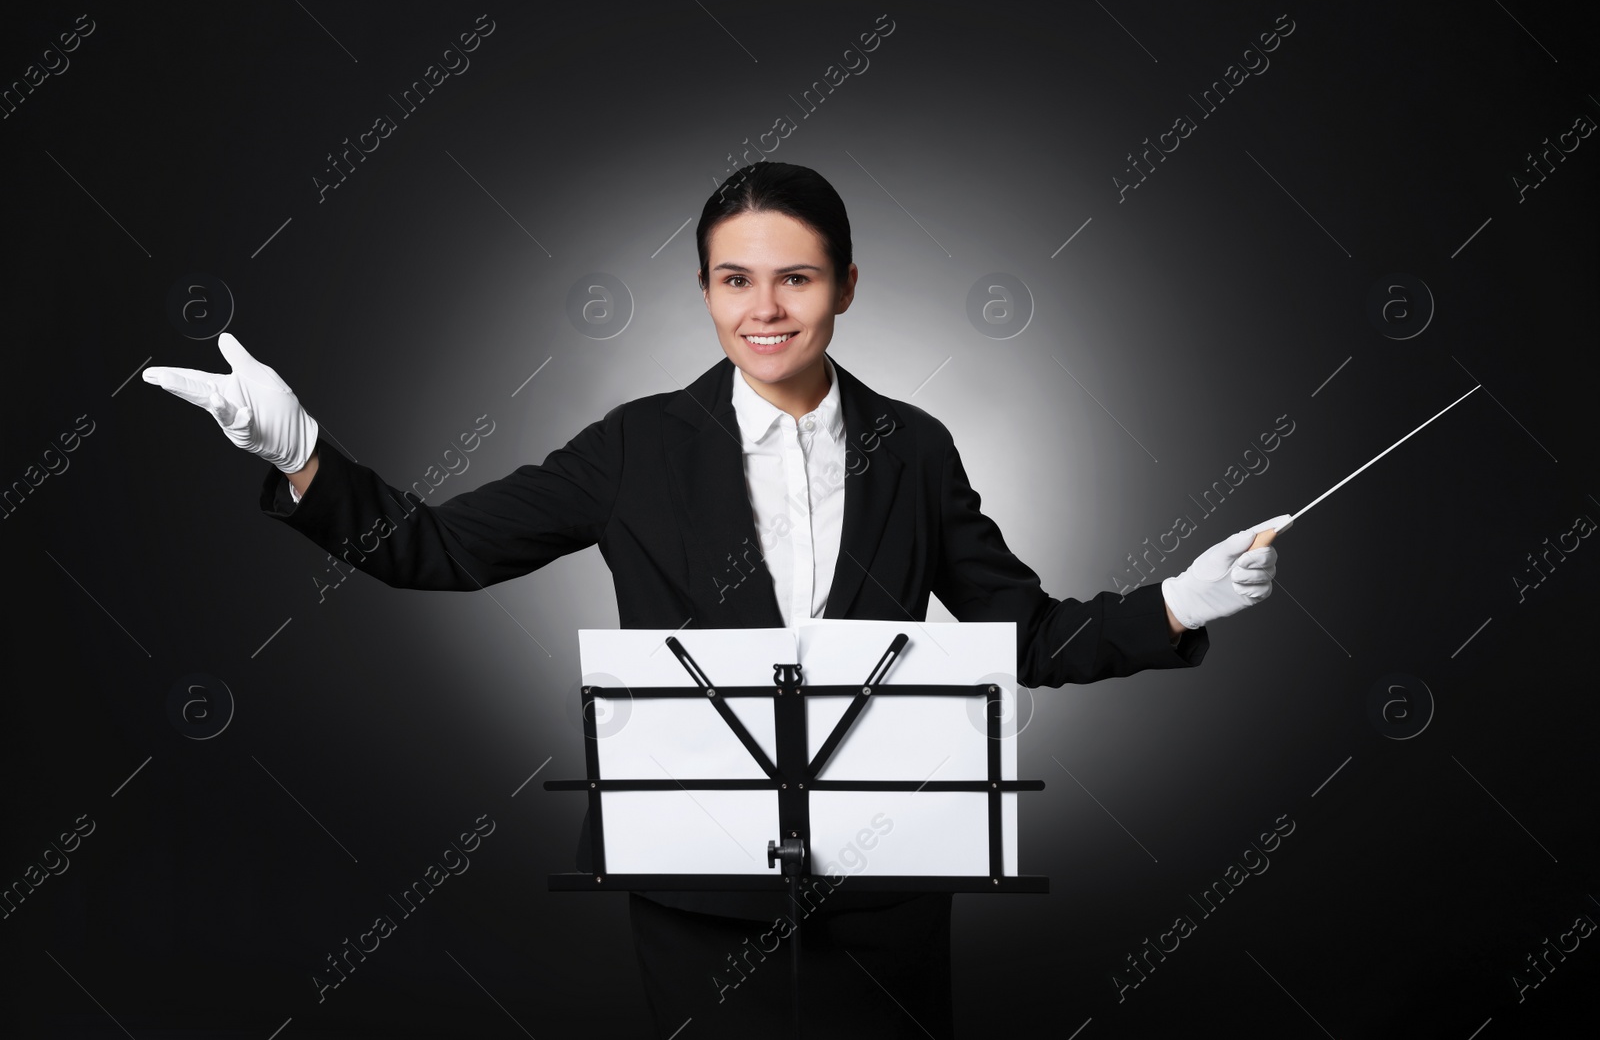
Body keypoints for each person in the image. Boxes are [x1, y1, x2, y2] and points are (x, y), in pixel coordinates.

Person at [144, 161, 1288, 1038]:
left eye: (795, 275)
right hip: (702, 893)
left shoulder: (913, 447)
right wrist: (301, 455)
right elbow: (438, 548)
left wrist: (1176, 601)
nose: (765, 307)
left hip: (887, 888)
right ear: (703, 290)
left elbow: (1021, 634)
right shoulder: (636, 445)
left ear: (845, 282)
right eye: (734, 279)